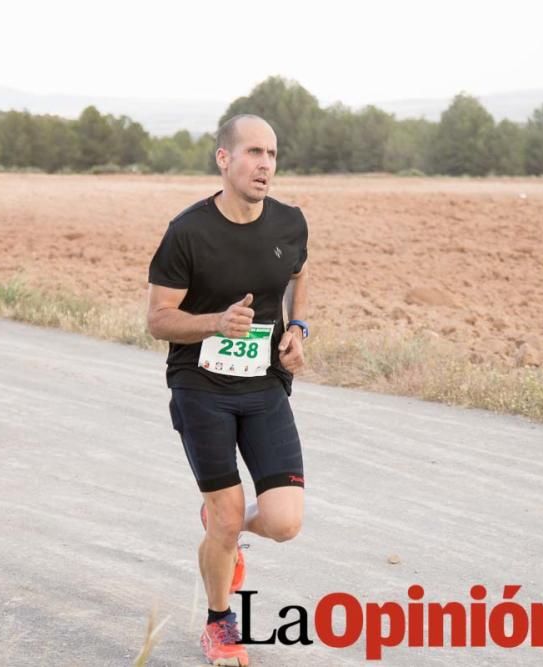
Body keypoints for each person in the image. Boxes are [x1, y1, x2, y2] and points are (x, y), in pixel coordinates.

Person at [147, 114, 310, 667]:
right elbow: (158, 320)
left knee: (285, 521)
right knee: (225, 510)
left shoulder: (290, 224)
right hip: (201, 386)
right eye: (254, 153)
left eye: (272, 154)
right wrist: (215, 323)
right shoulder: (188, 232)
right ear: (225, 159)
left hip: (264, 384)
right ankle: (219, 624)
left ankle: (224, 527)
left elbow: (297, 275)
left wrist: (298, 329)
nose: (265, 164)